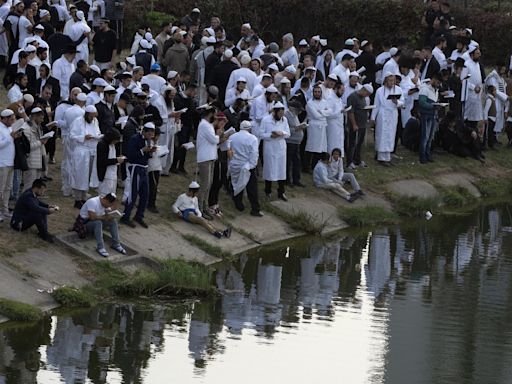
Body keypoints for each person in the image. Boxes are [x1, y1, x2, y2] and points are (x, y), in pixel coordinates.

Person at [121, 122, 156, 229]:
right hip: (135, 168)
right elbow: (131, 155)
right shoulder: (135, 139)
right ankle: (125, 216)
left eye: (152, 134)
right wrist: (142, 150)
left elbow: (147, 156)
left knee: (145, 194)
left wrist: (151, 151)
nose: (150, 136)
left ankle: (139, 216)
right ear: (144, 131)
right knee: (133, 194)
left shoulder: (149, 141)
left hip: (144, 168)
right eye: (148, 133)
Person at [69, 105, 102, 208]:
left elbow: (98, 132)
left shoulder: (95, 121)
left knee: (87, 176)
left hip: (92, 151)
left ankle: (84, 197)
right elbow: (72, 136)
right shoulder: (78, 121)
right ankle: (77, 199)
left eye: (94, 116)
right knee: (80, 176)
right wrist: (83, 137)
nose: (92, 118)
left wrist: (98, 137)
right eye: (91, 116)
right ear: (86, 114)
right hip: (81, 151)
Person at [228, 120, 263, 216]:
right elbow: (254, 154)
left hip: (234, 164)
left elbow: (229, 151)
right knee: (252, 188)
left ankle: (238, 203)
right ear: (250, 129)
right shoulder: (253, 139)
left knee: (236, 184)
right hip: (247, 165)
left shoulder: (232, 137)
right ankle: (255, 209)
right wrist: (252, 166)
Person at [196, 107, 224, 220]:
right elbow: (214, 140)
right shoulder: (204, 125)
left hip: (210, 157)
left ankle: (205, 206)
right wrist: (220, 134)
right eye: (215, 115)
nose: (216, 117)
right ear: (210, 114)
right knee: (204, 184)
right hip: (204, 158)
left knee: (209, 184)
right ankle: (200, 208)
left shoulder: (208, 125)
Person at [78, 193, 127, 257]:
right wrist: (105, 217)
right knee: (98, 223)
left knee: (113, 221)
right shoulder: (93, 202)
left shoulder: (105, 205)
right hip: (85, 224)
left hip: (96, 223)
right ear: (106, 200)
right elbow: (92, 217)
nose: (109, 207)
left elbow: (102, 215)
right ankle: (100, 247)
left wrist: (110, 215)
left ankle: (116, 244)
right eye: (110, 204)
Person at [371, 72, 404, 166]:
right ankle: (381, 157)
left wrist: (396, 102)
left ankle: (388, 156)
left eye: (393, 80)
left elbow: (402, 102)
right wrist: (373, 117)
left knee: (390, 135)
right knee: (382, 135)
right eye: (390, 80)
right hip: (383, 114)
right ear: (385, 81)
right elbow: (376, 105)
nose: (392, 82)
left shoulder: (398, 89)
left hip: (392, 114)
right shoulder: (380, 91)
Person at [10, 178, 58, 243]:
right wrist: (48, 211)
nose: (43, 193)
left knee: (41, 211)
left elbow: (37, 202)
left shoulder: (31, 192)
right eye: (42, 190)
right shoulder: (28, 196)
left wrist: (48, 206)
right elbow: (36, 208)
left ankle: (44, 232)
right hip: (17, 224)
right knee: (37, 213)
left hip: (22, 218)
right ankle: (44, 235)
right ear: (36, 188)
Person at [261, 102, 290, 201]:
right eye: (279, 113)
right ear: (275, 112)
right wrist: (270, 135)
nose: (281, 115)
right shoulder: (266, 120)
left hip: (281, 147)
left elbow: (288, 133)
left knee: (281, 170)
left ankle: (281, 192)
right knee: (269, 168)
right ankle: (267, 191)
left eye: (282, 113)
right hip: (270, 147)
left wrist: (281, 133)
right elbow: (261, 134)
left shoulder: (284, 120)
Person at [0, 109, 20, 222]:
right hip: (2, 163)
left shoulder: (10, 128)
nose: (13, 121)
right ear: (5, 118)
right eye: (11, 119)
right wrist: (10, 137)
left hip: (10, 162)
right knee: (0, 189)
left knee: (8, 188)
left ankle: (5, 210)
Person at [346, 83, 373, 169]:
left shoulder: (363, 98)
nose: (367, 96)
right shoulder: (353, 97)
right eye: (367, 94)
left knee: (359, 143)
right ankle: (350, 161)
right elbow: (351, 112)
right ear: (364, 90)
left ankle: (357, 160)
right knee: (352, 143)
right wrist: (354, 124)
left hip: (362, 124)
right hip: (355, 124)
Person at [22, 107, 48, 192]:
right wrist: (41, 142)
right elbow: (27, 147)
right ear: (34, 116)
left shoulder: (38, 127)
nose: (42, 120)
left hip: (38, 160)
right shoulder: (26, 128)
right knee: (29, 186)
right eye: (40, 118)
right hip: (31, 161)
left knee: (35, 187)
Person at [306, 85, 330, 169]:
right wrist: (324, 113)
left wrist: (321, 112)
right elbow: (315, 115)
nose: (317, 93)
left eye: (319, 92)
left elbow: (330, 111)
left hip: (322, 126)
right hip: (314, 126)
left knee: (321, 147)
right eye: (315, 92)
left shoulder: (324, 102)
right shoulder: (310, 103)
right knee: (312, 147)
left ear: (321, 93)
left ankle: (317, 166)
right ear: (313, 93)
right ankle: (308, 166)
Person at [94, 128, 125, 195]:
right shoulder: (102, 145)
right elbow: (102, 161)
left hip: (113, 174)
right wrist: (116, 160)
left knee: (112, 195)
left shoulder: (112, 145)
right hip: (105, 175)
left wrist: (118, 158)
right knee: (104, 195)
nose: (116, 142)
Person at [418, 74, 440, 163]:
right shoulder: (424, 89)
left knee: (430, 136)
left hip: (432, 115)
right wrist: (433, 106)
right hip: (426, 115)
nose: (438, 84)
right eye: (438, 82)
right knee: (425, 136)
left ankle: (427, 153)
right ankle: (422, 155)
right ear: (433, 79)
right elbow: (422, 103)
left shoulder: (436, 90)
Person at [285, 99, 307, 187]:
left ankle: (296, 180)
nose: (300, 112)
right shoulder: (286, 116)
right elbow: (286, 129)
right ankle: (287, 180)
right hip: (290, 142)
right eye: (298, 110)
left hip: (297, 142)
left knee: (297, 162)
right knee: (288, 162)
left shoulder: (295, 115)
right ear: (292, 108)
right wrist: (296, 129)